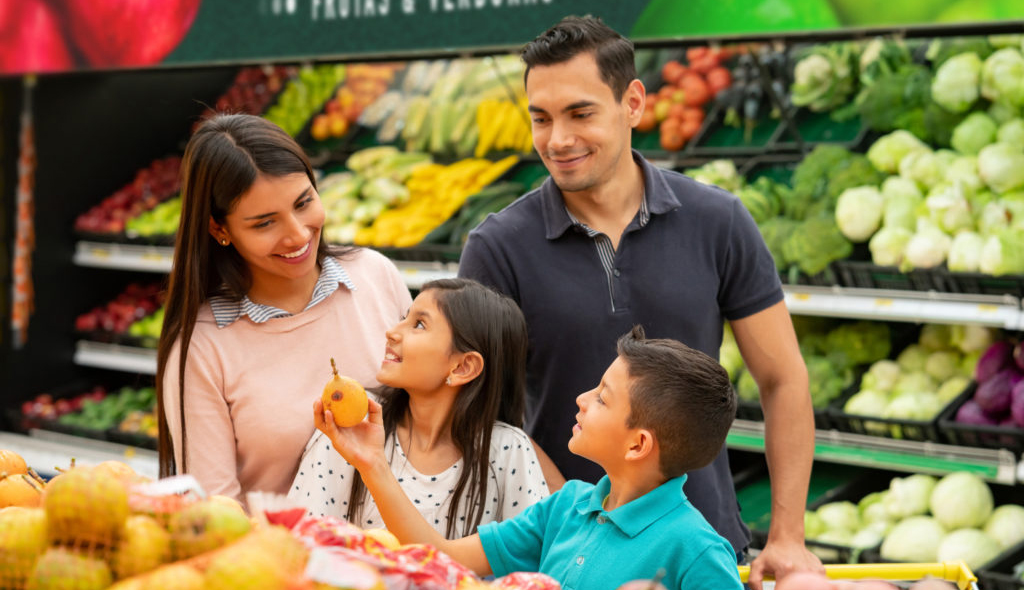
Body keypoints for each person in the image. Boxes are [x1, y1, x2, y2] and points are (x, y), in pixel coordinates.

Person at [456, 14, 822, 589]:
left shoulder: (718, 221)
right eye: (541, 119)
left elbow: (783, 379)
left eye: (580, 114)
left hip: (701, 545)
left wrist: (788, 536)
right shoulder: (497, 247)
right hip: (562, 563)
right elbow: (489, 420)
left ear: (632, 103)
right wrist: (580, 529)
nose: (558, 140)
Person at [316, 326, 744, 590]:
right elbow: (439, 554)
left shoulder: (697, 551)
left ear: (638, 445)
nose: (580, 400)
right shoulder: (567, 507)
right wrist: (371, 461)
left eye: (601, 399)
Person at [156, 113, 412, 501]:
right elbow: (217, 511)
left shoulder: (375, 277)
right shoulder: (202, 347)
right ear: (219, 229)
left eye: (304, 202)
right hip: (289, 558)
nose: (297, 234)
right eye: (264, 223)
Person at [288, 278, 558, 537]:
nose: (392, 332)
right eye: (405, 317)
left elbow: (532, 565)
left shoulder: (509, 450)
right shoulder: (354, 428)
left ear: (462, 367)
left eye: (418, 324)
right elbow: (301, 540)